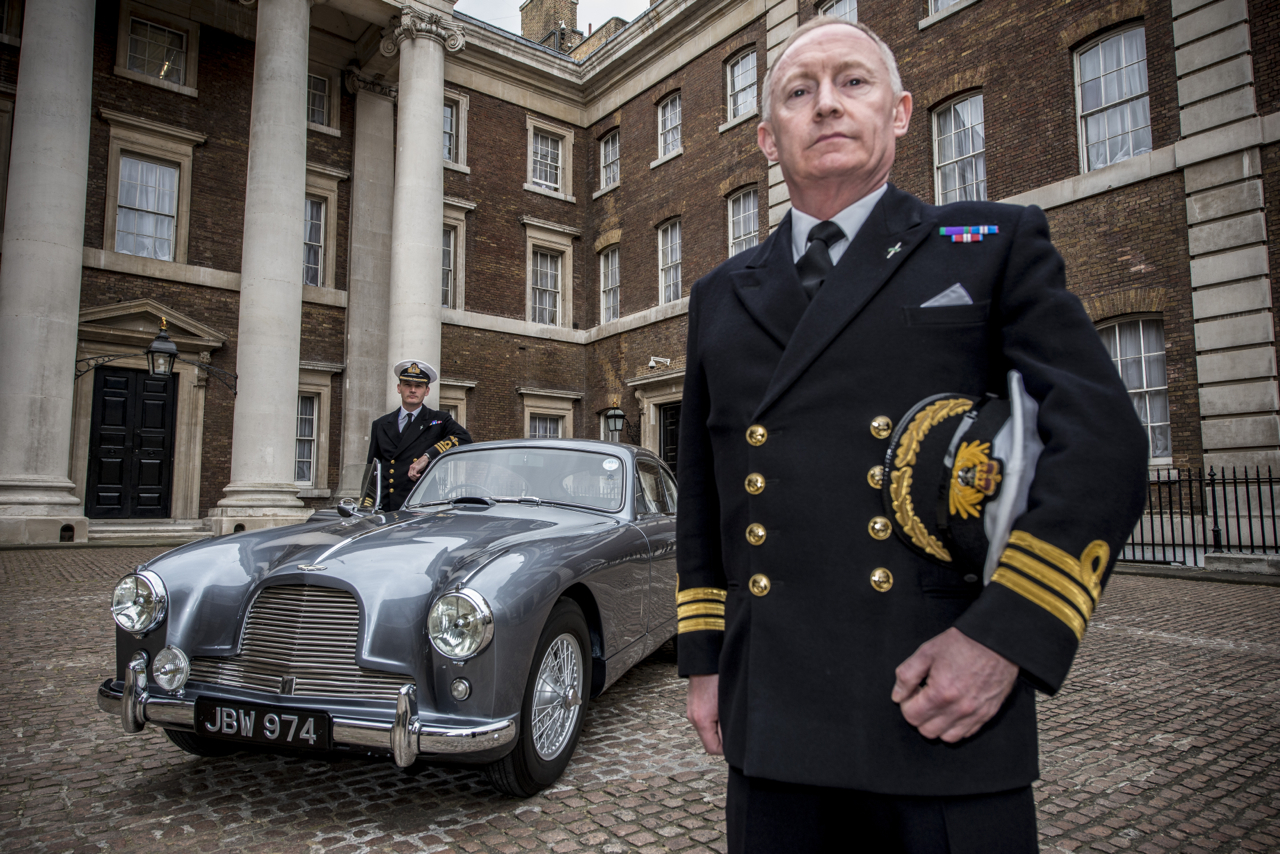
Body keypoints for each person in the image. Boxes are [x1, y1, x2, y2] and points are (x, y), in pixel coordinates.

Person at [675, 17, 1149, 854]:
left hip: (937, 710)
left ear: (897, 113)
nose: (826, 105)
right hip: (774, 721)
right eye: (798, 91)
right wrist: (706, 662)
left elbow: (1103, 442)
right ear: (765, 137)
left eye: (852, 83)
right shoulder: (720, 293)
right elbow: (706, 495)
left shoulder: (987, 247)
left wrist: (1005, 637)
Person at [366, 359, 471, 511]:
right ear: (399, 388)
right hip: (387, 506)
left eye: (419, 386)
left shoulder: (439, 420)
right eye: (407, 385)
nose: (413, 390)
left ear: (426, 391)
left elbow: (463, 438)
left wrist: (427, 457)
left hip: (421, 506)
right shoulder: (380, 424)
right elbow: (373, 470)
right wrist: (368, 505)